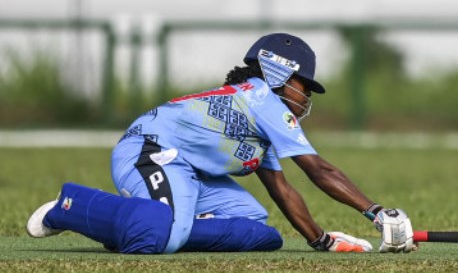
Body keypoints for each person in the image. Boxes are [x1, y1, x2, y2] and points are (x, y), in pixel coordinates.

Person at [27, 32, 417, 255]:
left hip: (185, 171)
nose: (306, 95)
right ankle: (72, 206)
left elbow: (282, 190)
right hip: (148, 152)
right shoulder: (264, 98)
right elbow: (319, 170)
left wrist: (321, 240)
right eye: (304, 85)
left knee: (259, 230)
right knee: (158, 238)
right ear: (279, 72)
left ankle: (143, 223)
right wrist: (378, 213)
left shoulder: (257, 111)